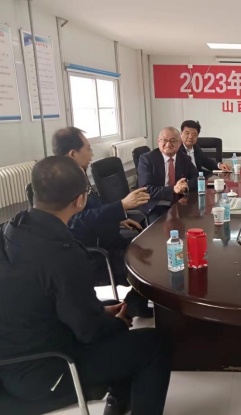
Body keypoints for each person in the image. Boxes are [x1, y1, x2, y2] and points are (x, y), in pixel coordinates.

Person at [0, 156, 170, 415]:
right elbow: (90, 332)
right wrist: (117, 323)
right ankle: (121, 401)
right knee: (154, 345)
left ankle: (118, 402)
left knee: (112, 320)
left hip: (11, 361)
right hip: (46, 372)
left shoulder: (11, 229)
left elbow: (42, 298)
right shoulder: (63, 254)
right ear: (80, 200)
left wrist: (100, 312)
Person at [52, 127, 152, 318]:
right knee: (145, 263)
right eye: (88, 148)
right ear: (73, 153)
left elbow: (95, 206)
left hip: (107, 237)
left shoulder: (78, 174)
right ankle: (132, 306)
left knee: (147, 248)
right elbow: (74, 223)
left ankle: (136, 303)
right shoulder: (61, 183)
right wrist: (121, 205)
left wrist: (119, 217)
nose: (92, 153)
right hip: (94, 253)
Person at [138, 127, 199, 221]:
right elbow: (145, 189)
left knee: (195, 219)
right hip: (156, 204)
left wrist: (186, 186)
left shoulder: (185, 158)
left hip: (179, 201)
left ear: (179, 143)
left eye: (173, 141)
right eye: (164, 140)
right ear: (158, 141)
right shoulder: (147, 159)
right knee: (161, 227)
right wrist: (173, 189)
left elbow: (197, 178)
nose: (168, 144)